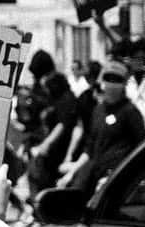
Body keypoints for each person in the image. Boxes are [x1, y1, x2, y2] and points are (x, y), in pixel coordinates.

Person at [58, 60, 145, 195]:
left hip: (117, 178)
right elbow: (90, 148)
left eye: (116, 79)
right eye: (108, 78)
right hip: (94, 174)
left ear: (124, 84)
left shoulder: (130, 112)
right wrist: (72, 171)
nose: (111, 83)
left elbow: (139, 149)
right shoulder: (98, 110)